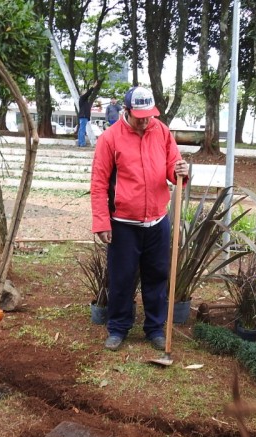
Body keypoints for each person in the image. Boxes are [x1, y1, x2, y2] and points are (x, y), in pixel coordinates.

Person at [90, 86, 189, 351]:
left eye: (149, 115)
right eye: (139, 116)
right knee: (122, 277)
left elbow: (173, 167)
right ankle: (118, 327)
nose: (145, 121)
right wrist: (102, 222)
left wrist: (180, 169)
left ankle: (155, 328)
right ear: (126, 111)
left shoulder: (162, 131)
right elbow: (99, 183)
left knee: (157, 275)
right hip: (124, 223)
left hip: (157, 220)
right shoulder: (110, 139)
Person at [77, 80, 98, 147]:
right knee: (82, 130)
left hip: (83, 116)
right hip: (83, 116)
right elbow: (88, 93)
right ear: (82, 94)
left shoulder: (84, 100)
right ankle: (82, 143)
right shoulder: (82, 98)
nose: (86, 92)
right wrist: (93, 87)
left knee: (81, 129)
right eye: (84, 92)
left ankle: (80, 143)